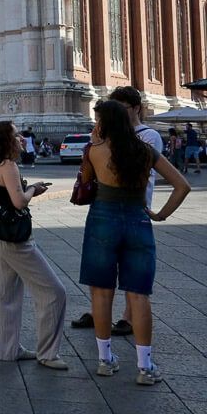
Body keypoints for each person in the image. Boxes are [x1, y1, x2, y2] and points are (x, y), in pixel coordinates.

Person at [79, 99, 189, 385]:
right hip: (137, 219)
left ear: (105, 124)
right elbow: (182, 186)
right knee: (138, 295)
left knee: (101, 293)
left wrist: (94, 145)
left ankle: (105, 360)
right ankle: (145, 365)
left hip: (102, 219)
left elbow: (85, 184)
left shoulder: (95, 151)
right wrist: (161, 214)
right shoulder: (145, 151)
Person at [0, 120, 67, 369]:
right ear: (5, 140)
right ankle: (48, 353)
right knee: (53, 291)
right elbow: (19, 202)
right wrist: (33, 191)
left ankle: (7, 350)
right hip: (15, 241)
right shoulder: (10, 166)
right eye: (16, 135)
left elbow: (8, 195)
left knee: (5, 294)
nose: (21, 139)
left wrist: (25, 190)